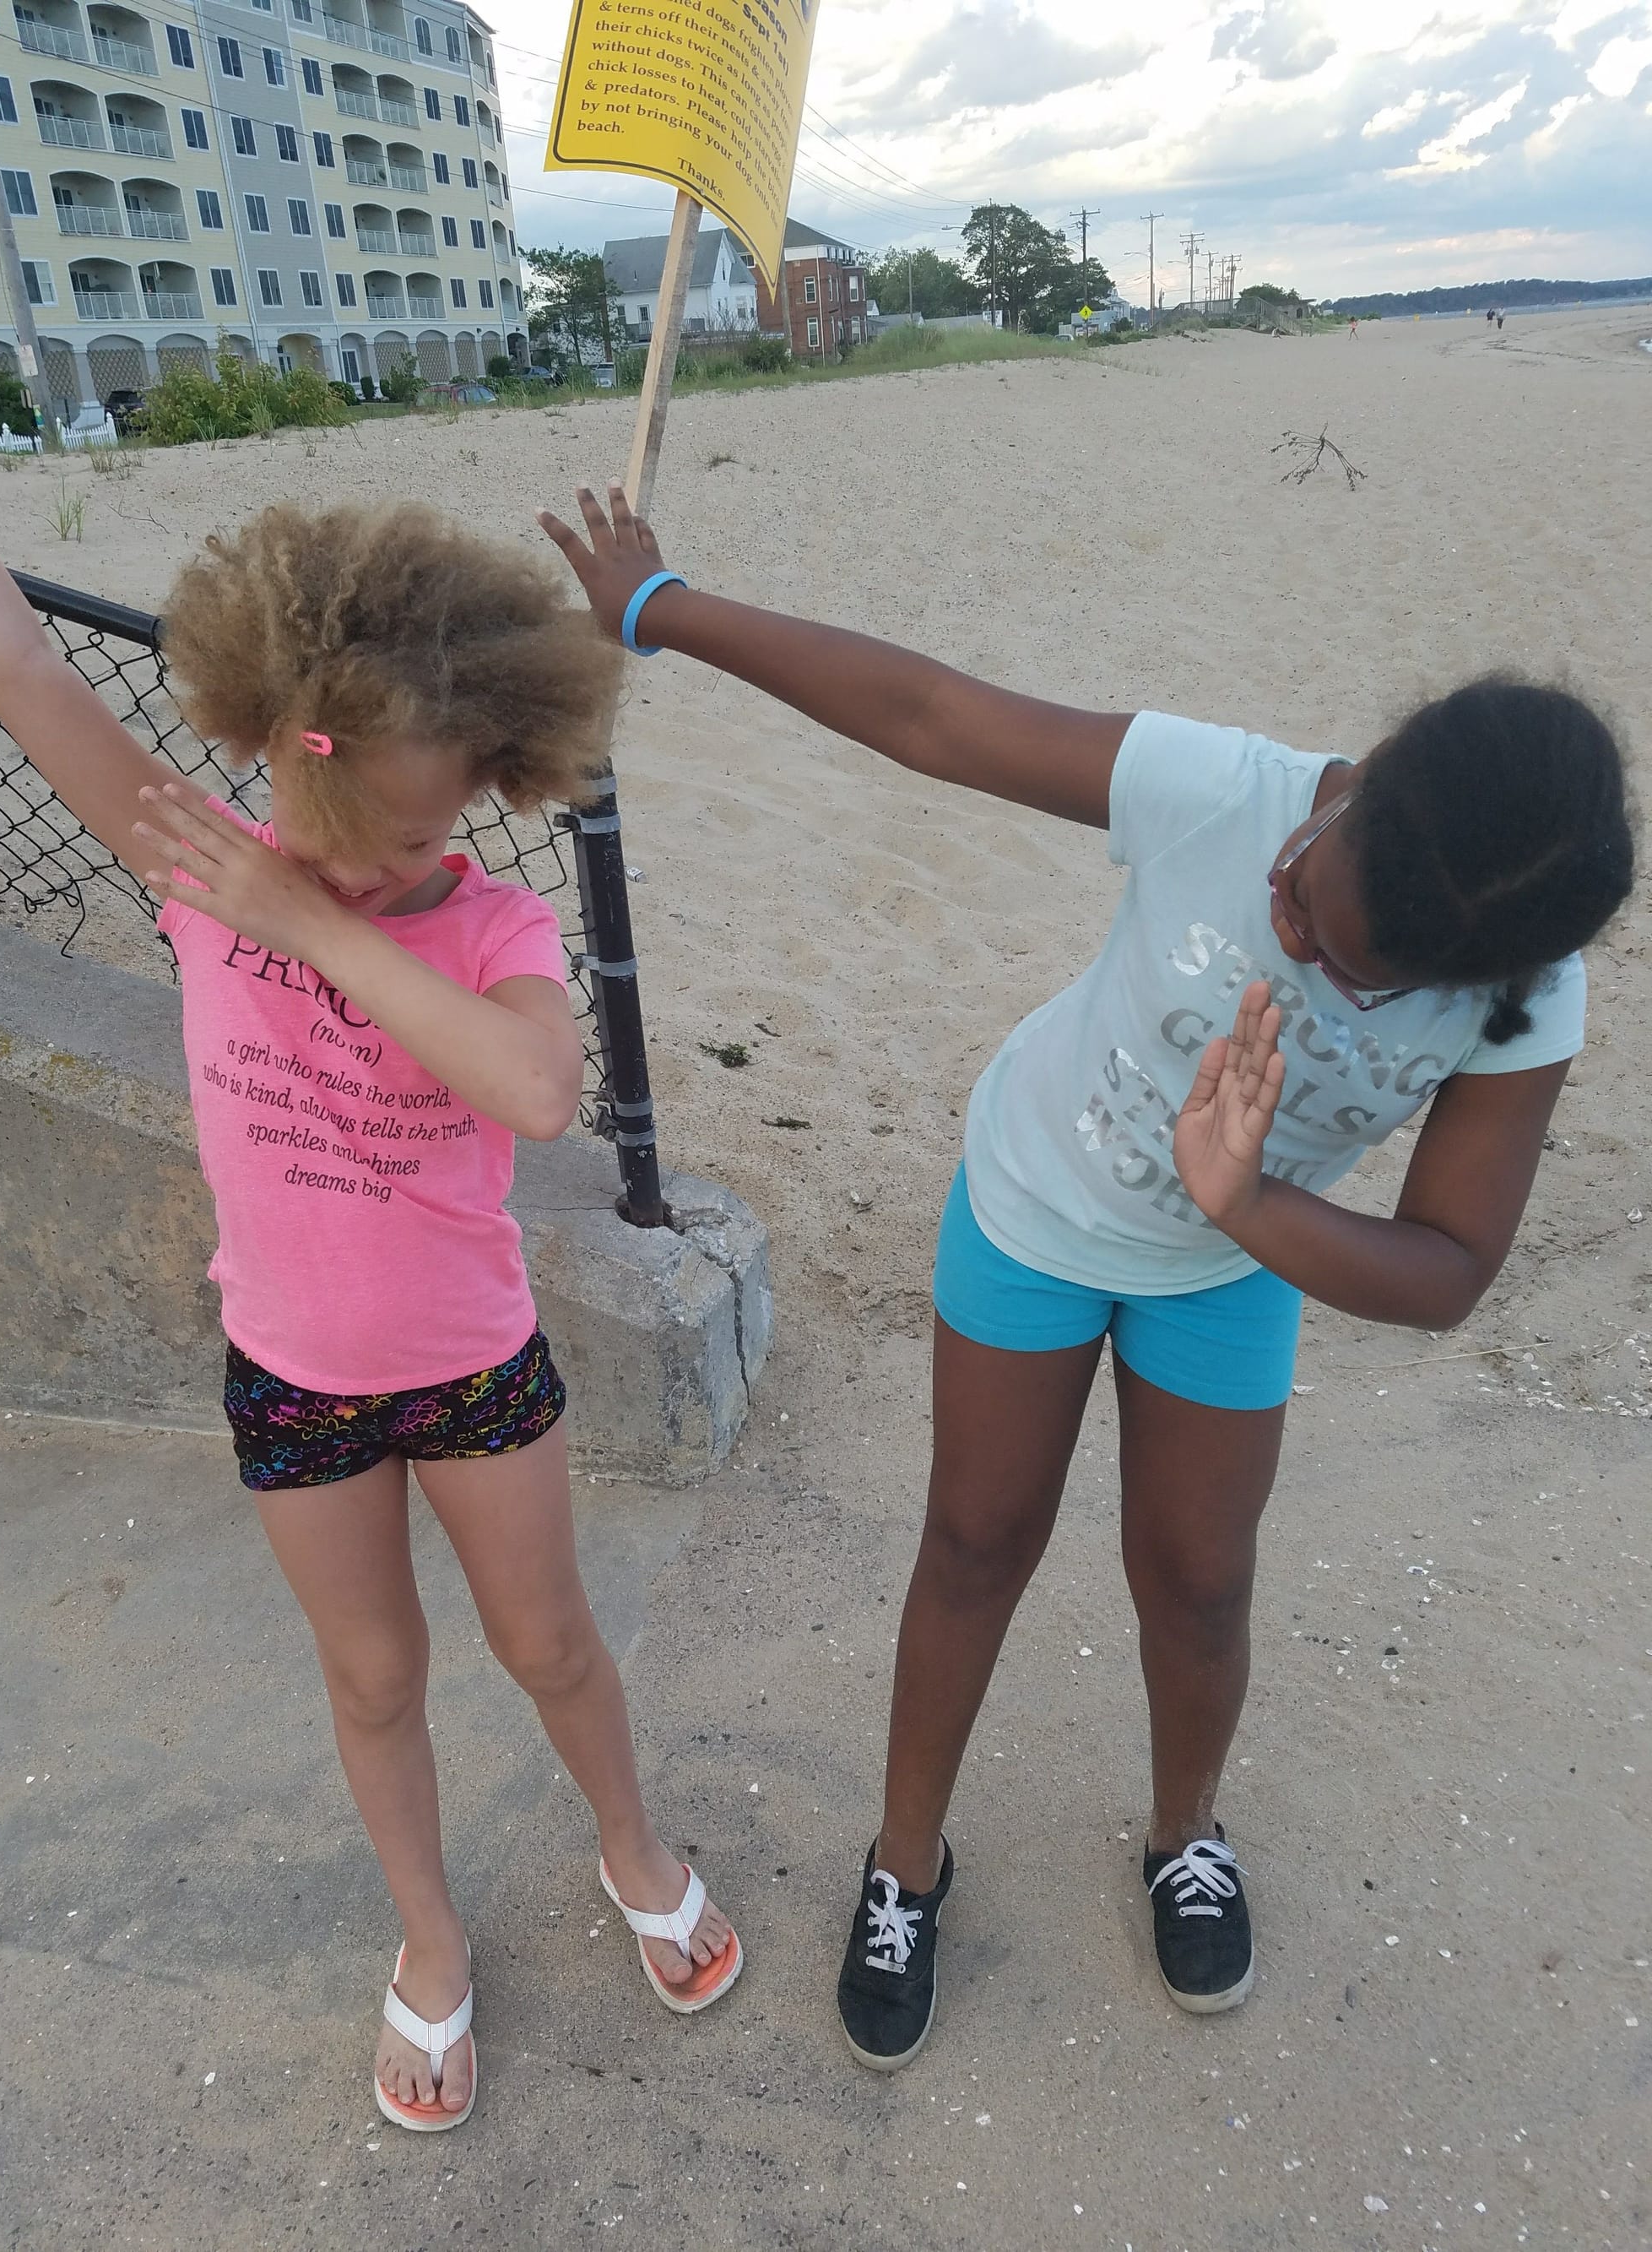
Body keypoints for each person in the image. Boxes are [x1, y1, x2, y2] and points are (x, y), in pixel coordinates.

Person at [539, 484, 1634, 2070]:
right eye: (1300, 899)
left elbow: (1450, 1268)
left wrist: (1244, 1203)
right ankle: (905, 1862)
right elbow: (929, 716)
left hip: (1234, 1263)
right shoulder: (1220, 790)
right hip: (1034, 1208)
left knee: (1199, 1582)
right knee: (975, 1542)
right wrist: (662, 609)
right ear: (1364, 782)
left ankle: (1186, 1834)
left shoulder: (1526, 999)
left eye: (1354, 975)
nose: (1297, 946)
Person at [0, 502, 742, 2131]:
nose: (387, 868)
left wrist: (312, 919)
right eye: (352, 832)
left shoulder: (493, 927)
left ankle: (631, 1845)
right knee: (373, 1680)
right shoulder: (201, 862)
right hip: (293, 1378)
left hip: (472, 1370)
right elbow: (21, 661)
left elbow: (536, 1088)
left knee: (549, 1642)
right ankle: (430, 1929)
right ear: (278, 754)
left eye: (422, 834)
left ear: (491, 779)